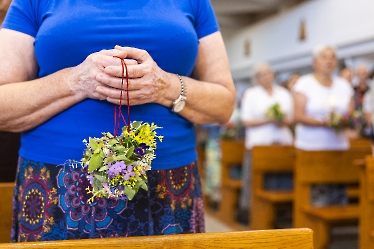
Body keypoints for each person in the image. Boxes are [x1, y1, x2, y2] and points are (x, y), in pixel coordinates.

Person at [0, 0, 236, 242]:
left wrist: (165, 86)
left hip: (168, 184)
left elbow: (224, 105)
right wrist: (75, 82)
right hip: (57, 185)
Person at [293, 44, 354, 207]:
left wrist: (342, 121)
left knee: (339, 192)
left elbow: (350, 114)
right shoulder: (304, 83)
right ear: (314, 62)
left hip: (338, 147)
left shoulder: (344, 85)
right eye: (324, 57)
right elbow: (298, 115)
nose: (329, 61)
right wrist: (323, 122)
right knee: (316, 195)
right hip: (311, 147)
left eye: (333, 57)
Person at [239, 63, 294, 223]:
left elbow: (291, 118)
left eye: (268, 73)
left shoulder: (283, 93)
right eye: (262, 74)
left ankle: (281, 215)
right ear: (256, 78)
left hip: (282, 142)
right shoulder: (251, 93)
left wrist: (281, 120)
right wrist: (269, 119)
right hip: (259, 143)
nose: (266, 77)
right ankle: (252, 214)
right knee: (255, 180)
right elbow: (246, 121)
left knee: (283, 179)